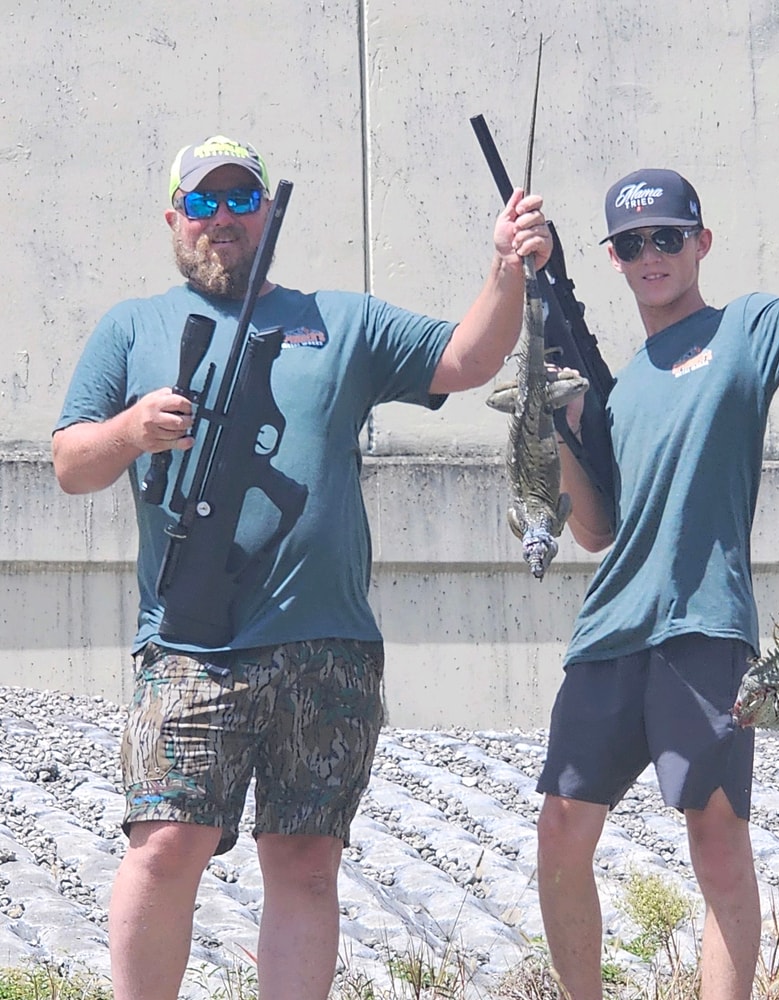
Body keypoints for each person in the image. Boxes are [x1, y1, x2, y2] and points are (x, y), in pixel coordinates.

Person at [51, 134, 553, 1000]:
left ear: (265, 213)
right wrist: (132, 430)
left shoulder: (343, 320)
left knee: (307, 863)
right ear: (174, 217)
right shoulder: (132, 326)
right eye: (202, 203)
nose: (222, 219)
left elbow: (467, 360)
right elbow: (71, 463)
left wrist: (506, 267)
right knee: (167, 845)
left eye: (240, 200)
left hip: (328, 644)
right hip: (190, 643)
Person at [535, 127, 779, 1000]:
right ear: (615, 259)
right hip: (609, 627)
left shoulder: (747, 327)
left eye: (667, 237)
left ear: (700, 243)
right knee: (560, 834)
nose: (651, 256)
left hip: (704, 625)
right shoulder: (621, 382)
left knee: (717, 842)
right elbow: (595, 532)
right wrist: (558, 419)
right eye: (632, 244)